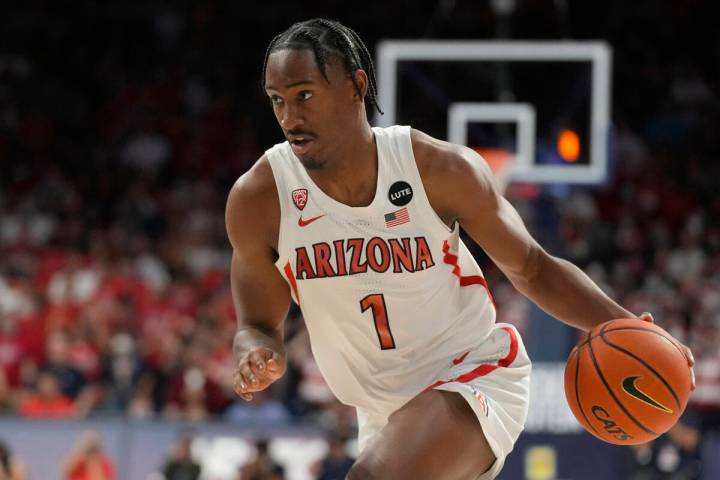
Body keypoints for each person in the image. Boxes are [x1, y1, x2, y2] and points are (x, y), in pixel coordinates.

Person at [226, 18, 696, 479]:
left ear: (356, 85)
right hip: (382, 411)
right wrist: (256, 351)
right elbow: (257, 324)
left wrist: (627, 326)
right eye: (277, 101)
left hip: (472, 374)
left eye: (304, 95)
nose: (290, 118)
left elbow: (532, 266)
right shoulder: (259, 199)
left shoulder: (436, 169)